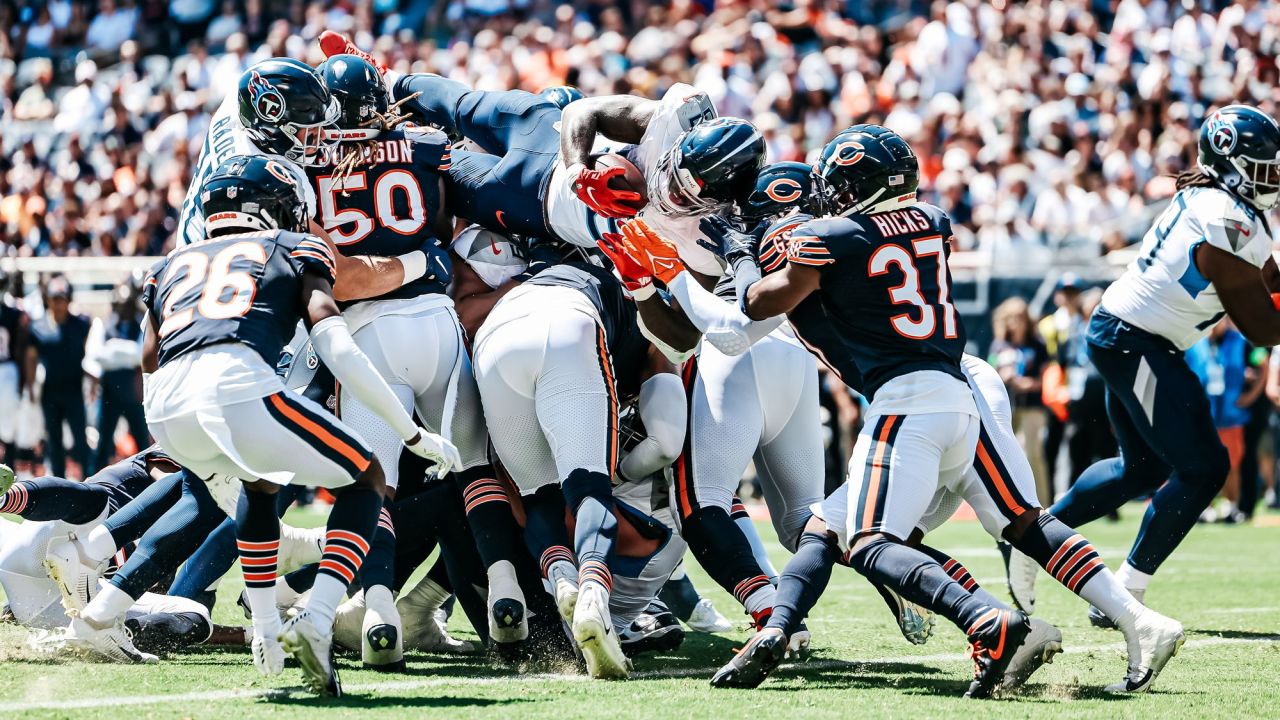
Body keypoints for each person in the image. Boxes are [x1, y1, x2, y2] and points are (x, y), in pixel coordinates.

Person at [139, 154, 459, 696]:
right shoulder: (290, 246)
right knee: (366, 477)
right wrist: (409, 431)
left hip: (164, 409)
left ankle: (265, 629)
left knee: (261, 483)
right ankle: (315, 619)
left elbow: (148, 356)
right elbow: (334, 342)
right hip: (237, 385)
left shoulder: (172, 261)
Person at [1016, 105, 1280, 626]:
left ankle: (1034, 539)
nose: (1275, 176)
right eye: (1265, 166)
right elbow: (1264, 328)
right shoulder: (1227, 221)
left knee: (1143, 468)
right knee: (1204, 467)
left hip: (1130, 335)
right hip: (1137, 340)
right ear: (1233, 165)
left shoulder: (1218, 204)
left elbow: (1270, 276)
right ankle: (1121, 592)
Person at [1185, 319, 1265, 524]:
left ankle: (1232, 505)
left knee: (1232, 463)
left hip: (1231, 415)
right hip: (1203, 415)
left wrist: (1251, 395)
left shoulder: (1242, 341)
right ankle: (1206, 507)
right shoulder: (1195, 342)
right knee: (1203, 463)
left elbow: (1262, 361)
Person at [26, 275, 91, 479]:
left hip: (73, 390)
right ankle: (59, 485)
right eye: (55, 298)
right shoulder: (37, 327)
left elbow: (91, 353)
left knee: (80, 439)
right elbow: (31, 358)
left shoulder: (81, 324)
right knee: (54, 441)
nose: (58, 303)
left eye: (62, 298)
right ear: (48, 299)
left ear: (69, 300)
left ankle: (89, 483)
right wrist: (30, 387)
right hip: (50, 392)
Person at [989, 297, 1051, 504]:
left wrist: (1029, 383)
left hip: (1032, 407)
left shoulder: (1038, 345)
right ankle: (1012, 503)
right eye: (1011, 318)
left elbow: (1047, 379)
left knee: (1032, 453)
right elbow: (988, 371)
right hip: (1005, 407)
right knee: (1006, 456)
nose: (1016, 322)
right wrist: (1002, 374)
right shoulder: (999, 345)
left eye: (1020, 317)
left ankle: (1042, 503)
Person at [86, 279, 149, 474]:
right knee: (104, 442)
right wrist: (125, 354)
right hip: (110, 391)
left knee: (142, 441)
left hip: (132, 391)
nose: (124, 309)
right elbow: (96, 355)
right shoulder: (104, 324)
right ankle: (94, 481)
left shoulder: (141, 325)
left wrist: (113, 349)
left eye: (127, 305)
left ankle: (148, 479)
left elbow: (140, 354)